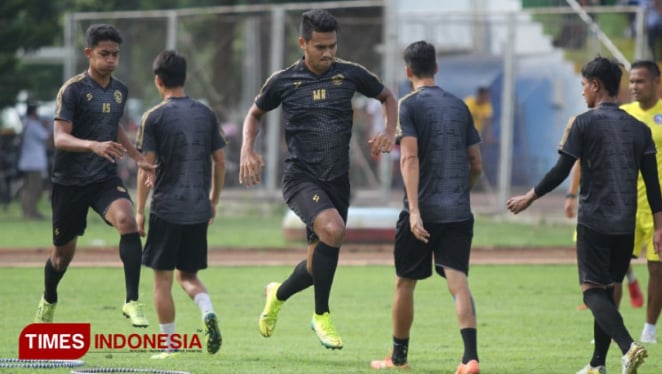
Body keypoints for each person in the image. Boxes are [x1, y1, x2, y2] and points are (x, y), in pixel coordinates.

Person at [239, 9, 397, 350]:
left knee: (316, 264)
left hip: (337, 180)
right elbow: (254, 114)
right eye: (320, 47)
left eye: (332, 46)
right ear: (303, 44)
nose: (328, 54)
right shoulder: (283, 81)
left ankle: (277, 294)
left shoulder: (350, 74)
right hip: (300, 178)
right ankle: (321, 315)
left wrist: (389, 130)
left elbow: (387, 96)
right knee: (334, 229)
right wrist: (247, 149)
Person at [506, 56, 662, 374]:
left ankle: (628, 346)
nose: (581, 92)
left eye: (583, 86)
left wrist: (530, 197)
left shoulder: (581, 122)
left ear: (595, 85)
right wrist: (661, 228)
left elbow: (561, 169)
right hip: (625, 224)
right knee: (607, 290)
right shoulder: (639, 129)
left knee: (591, 291)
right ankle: (596, 365)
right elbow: (652, 183)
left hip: (594, 220)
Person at [370, 41, 482, 373]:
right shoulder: (460, 106)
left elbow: (409, 156)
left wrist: (415, 210)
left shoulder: (408, 105)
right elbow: (475, 162)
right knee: (457, 279)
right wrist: (462, 191)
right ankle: (470, 358)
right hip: (458, 210)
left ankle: (398, 359)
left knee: (405, 282)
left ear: (407, 71)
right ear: (436, 68)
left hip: (422, 211)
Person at [33, 24, 155, 328]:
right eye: (104, 54)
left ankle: (131, 301)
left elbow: (115, 127)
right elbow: (60, 138)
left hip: (103, 178)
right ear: (89, 53)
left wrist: (139, 158)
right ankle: (49, 297)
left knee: (127, 222)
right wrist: (92, 146)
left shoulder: (120, 91)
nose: (111, 59)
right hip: (69, 182)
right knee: (62, 257)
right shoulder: (72, 89)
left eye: (115, 54)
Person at [135, 50, 226, 358]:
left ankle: (168, 346)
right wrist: (213, 200)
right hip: (198, 207)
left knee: (162, 281)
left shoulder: (154, 117)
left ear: (158, 81)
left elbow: (145, 166)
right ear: (185, 78)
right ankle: (208, 310)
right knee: (187, 275)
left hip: (166, 208)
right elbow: (220, 161)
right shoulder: (207, 113)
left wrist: (138, 211)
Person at [621, 60, 662, 344]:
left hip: (661, 208)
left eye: (641, 81)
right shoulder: (623, 115)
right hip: (626, 204)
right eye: (632, 81)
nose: (634, 86)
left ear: (657, 82)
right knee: (613, 267)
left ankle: (649, 329)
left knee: (659, 268)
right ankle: (610, 329)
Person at [564, 159, 644, 311]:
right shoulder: (585, 137)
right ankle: (598, 297)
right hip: (594, 209)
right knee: (597, 261)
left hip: (624, 204)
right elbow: (577, 162)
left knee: (614, 264)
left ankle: (608, 316)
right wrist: (571, 196)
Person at [17, 102, 50, 220]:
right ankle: (31, 212)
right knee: (34, 188)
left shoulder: (26, 123)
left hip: (28, 162)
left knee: (28, 188)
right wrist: (46, 126)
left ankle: (26, 211)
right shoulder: (33, 124)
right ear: (33, 112)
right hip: (33, 162)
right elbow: (45, 136)